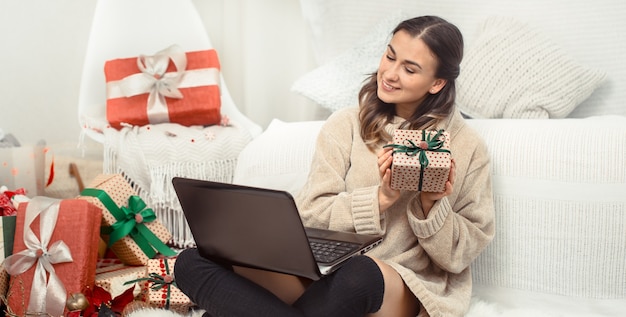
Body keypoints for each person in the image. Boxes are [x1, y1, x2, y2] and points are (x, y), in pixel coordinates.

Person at [175, 15, 495, 317]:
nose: (390, 73)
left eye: (410, 69)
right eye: (390, 56)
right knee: (191, 262)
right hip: (325, 275)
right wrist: (380, 199)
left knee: (359, 274)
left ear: (437, 83)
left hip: (399, 281)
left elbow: (458, 257)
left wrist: (431, 204)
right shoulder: (346, 125)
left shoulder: (466, 147)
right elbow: (311, 213)